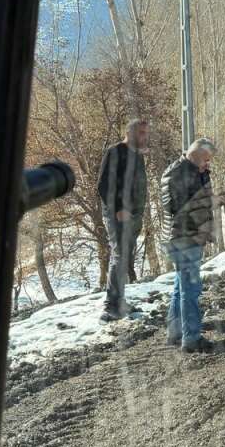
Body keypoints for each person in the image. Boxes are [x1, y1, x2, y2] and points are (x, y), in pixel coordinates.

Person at [160, 137, 224, 353]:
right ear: (196, 155)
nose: (208, 164)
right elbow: (180, 209)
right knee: (191, 289)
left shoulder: (193, 170)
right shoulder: (178, 174)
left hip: (188, 237)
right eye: (206, 159)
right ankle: (192, 339)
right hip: (183, 238)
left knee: (181, 287)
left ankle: (176, 333)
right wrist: (211, 201)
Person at [96, 119, 149, 322]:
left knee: (125, 256)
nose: (145, 137)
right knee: (119, 255)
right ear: (131, 133)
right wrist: (118, 209)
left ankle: (120, 300)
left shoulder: (138, 155)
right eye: (142, 133)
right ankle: (111, 305)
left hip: (135, 215)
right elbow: (103, 184)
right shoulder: (115, 151)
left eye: (146, 133)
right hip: (117, 214)